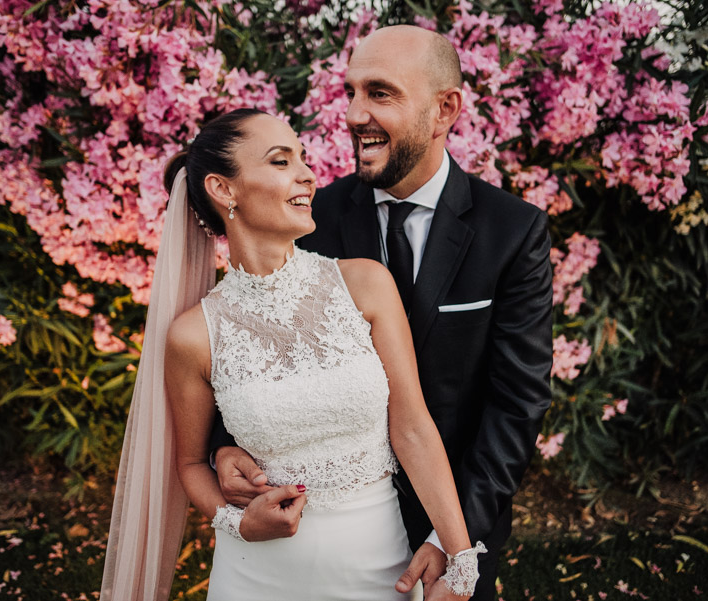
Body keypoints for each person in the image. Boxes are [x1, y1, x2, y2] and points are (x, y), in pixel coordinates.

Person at [214, 26, 553, 601]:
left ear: (445, 109)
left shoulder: (512, 231)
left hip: (454, 525)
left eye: (380, 93)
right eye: (350, 92)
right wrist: (223, 448)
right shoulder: (307, 218)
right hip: (318, 533)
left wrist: (457, 539)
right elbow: (244, 343)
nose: (353, 113)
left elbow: (517, 401)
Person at [100, 107, 487, 601]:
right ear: (224, 190)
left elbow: (412, 426)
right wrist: (237, 523)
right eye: (281, 161)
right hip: (253, 579)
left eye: (303, 158)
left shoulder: (365, 284)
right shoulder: (193, 336)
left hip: (379, 571)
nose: (308, 174)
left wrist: (460, 562)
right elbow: (192, 465)